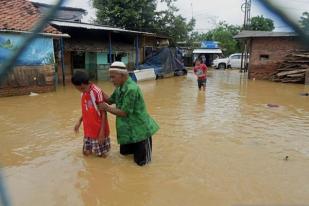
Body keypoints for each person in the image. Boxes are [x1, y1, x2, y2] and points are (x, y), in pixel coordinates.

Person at [98, 61, 159, 166]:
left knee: (142, 165)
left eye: (113, 77)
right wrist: (98, 91)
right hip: (127, 132)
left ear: (121, 75)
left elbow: (124, 113)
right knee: (124, 158)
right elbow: (110, 100)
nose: (111, 80)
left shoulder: (131, 89)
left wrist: (106, 108)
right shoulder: (120, 87)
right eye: (110, 77)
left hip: (140, 132)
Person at [72, 70, 111, 157]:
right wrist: (79, 121)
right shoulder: (83, 93)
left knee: (101, 155)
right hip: (88, 130)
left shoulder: (97, 92)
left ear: (82, 85)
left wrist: (102, 132)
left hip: (98, 130)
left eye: (80, 88)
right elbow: (86, 110)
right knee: (86, 154)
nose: (80, 91)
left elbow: (103, 112)